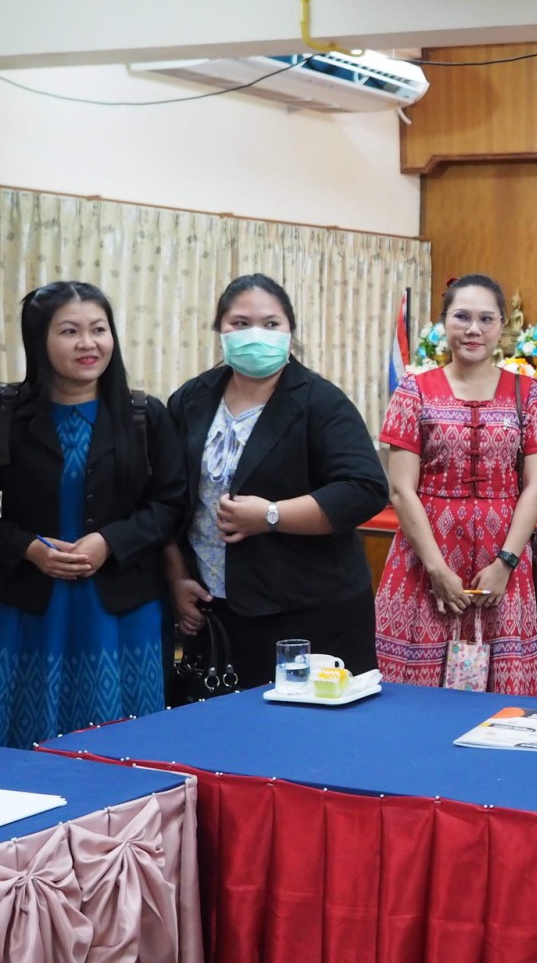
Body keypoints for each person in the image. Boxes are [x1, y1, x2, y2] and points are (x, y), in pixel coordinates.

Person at [0, 282, 185, 748]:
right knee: (18, 749)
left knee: (124, 748)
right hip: (27, 608)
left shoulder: (144, 414)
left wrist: (110, 542)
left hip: (122, 611)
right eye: (69, 331)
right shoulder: (2, 411)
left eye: (99, 329)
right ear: (38, 340)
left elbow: (171, 504)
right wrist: (28, 548)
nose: (88, 343)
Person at [163, 274, 388, 688]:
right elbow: (166, 498)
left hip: (309, 609)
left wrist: (270, 515)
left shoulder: (320, 401)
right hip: (215, 606)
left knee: (303, 724)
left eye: (270, 324)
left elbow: (364, 488)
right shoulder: (192, 399)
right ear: (220, 330)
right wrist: (177, 577)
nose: (255, 335)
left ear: (290, 331)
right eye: (240, 323)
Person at [375, 274, 537, 695]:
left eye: (486, 319)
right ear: (444, 322)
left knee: (503, 695)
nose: (473, 329)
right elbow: (401, 489)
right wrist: (437, 568)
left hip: (503, 552)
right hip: (425, 551)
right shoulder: (413, 392)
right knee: (414, 691)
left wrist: (505, 563)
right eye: (462, 317)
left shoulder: (532, 394)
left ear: (502, 325)